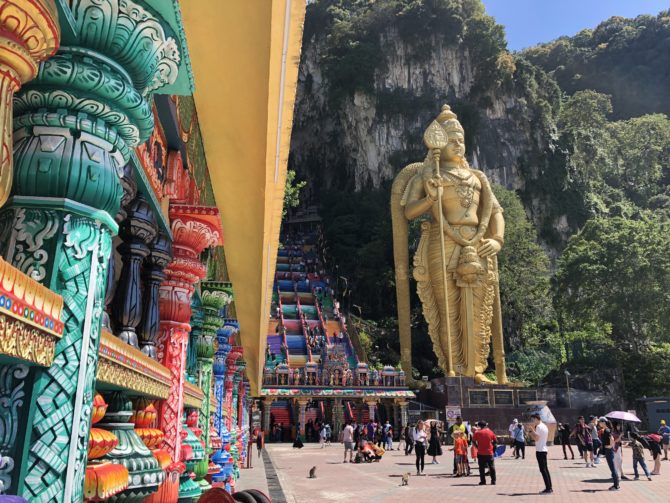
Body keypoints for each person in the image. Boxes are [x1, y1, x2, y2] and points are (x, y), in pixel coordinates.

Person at [529, 413, 553, 494]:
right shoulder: (544, 426)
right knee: (545, 469)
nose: (533, 421)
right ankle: (549, 487)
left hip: (540, 450)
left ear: (537, 419)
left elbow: (536, 438)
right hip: (543, 449)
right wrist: (532, 432)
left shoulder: (539, 427)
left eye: (533, 419)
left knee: (543, 470)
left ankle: (548, 488)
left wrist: (532, 431)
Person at [473, 421, 496, 486]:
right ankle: (493, 481)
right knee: (492, 467)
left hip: (481, 453)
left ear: (479, 426)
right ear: (485, 425)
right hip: (489, 453)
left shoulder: (477, 433)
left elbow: (473, 441)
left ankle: (483, 481)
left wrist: (477, 447)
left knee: (481, 468)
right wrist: (492, 447)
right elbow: (495, 441)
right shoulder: (490, 432)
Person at [599, 417, 619, 491]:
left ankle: (616, 486)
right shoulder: (606, 430)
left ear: (603, 422)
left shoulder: (606, 430)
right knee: (612, 468)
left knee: (613, 469)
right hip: (608, 451)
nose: (599, 423)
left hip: (609, 451)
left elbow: (612, 439)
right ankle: (616, 485)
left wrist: (610, 446)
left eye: (600, 422)